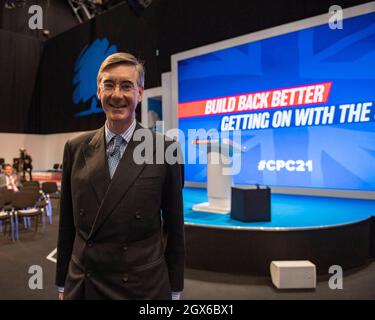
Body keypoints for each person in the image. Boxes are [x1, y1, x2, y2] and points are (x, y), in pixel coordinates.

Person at [55, 52, 185, 300]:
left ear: (140, 92)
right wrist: (62, 282)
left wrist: (175, 289)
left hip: (142, 286)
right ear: (98, 91)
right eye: (109, 85)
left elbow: (174, 228)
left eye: (127, 86)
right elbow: (67, 225)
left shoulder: (166, 150)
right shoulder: (75, 148)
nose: (117, 95)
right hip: (84, 283)